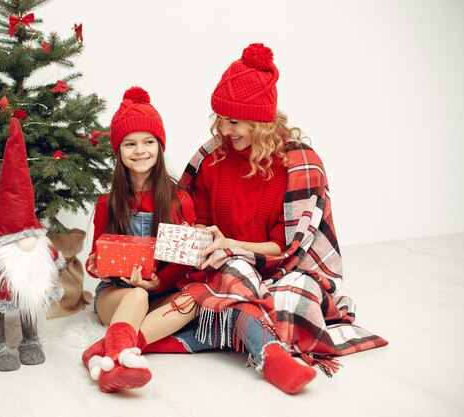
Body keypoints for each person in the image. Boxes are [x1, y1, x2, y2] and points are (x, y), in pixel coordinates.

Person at [140, 43, 388, 394]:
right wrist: (199, 236)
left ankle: (139, 342)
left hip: (280, 268)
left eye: (234, 121)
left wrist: (232, 245)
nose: (225, 130)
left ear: (260, 121)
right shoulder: (211, 158)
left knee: (297, 296)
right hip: (224, 266)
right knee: (231, 273)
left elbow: (287, 248)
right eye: (221, 120)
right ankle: (270, 354)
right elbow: (199, 219)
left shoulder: (297, 164)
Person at [82, 86, 197, 393]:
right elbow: (95, 261)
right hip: (117, 293)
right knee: (136, 296)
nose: (140, 150)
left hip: (159, 293)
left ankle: (105, 352)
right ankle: (119, 359)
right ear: (119, 151)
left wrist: (158, 282)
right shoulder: (107, 203)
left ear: (160, 147)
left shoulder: (179, 201)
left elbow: (186, 265)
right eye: (130, 144)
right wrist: (96, 266)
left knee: (195, 300)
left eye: (149, 142)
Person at [0, 117, 66, 372]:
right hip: (5, 284)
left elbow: (55, 260)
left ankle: (31, 341)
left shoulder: (39, 245)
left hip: (29, 280)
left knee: (31, 298)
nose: (25, 242)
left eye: (28, 234)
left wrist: (55, 264)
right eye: (18, 236)